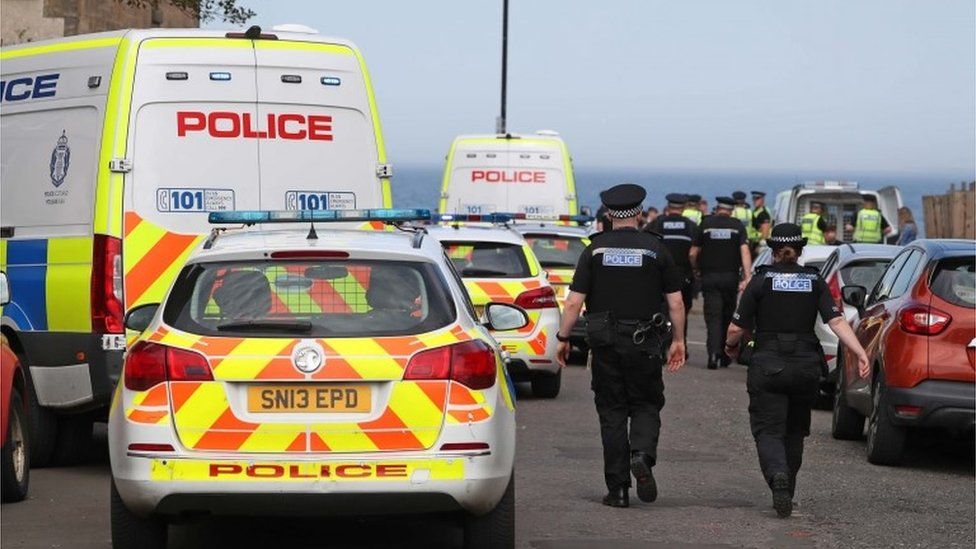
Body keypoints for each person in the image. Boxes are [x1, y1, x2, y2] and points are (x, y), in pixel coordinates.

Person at [723, 223, 870, 518]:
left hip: (768, 365)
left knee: (768, 429)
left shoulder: (761, 281)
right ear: (800, 250)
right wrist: (860, 351)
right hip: (805, 367)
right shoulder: (814, 281)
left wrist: (729, 346)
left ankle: (777, 474)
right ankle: (787, 487)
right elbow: (836, 321)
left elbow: (737, 327)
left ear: (773, 251)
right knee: (794, 431)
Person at [556, 183, 686, 509]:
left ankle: (618, 491)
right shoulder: (656, 249)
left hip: (606, 344)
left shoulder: (594, 251)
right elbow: (677, 303)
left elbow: (573, 304)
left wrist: (562, 339)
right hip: (645, 342)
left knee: (612, 412)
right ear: (639, 214)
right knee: (645, 403)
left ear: (609, 215)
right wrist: (680, 341)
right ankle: (641, 454)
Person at [690, 196, 752, 369]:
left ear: (717, 208)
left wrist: (695, 269)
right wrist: (747, 277)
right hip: (730, 278)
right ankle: (725, 355)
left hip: (709, 278)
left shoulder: (706, 224)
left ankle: (712, 355)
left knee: (713, 317)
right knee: (727, 316)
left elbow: (693, 253)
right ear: (731, 210)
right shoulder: (737, 226)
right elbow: (745, 252)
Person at [647, 193, 699, 358]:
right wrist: (695, 270)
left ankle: (661, 347)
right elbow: (695, 252)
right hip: (683, 276)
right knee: (681, 310)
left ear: (668, 207)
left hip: (659, 277)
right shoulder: (691, 226)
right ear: (683, 208)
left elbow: (645, 245)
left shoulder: (657, 223)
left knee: (660, 312)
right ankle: (679, 343)